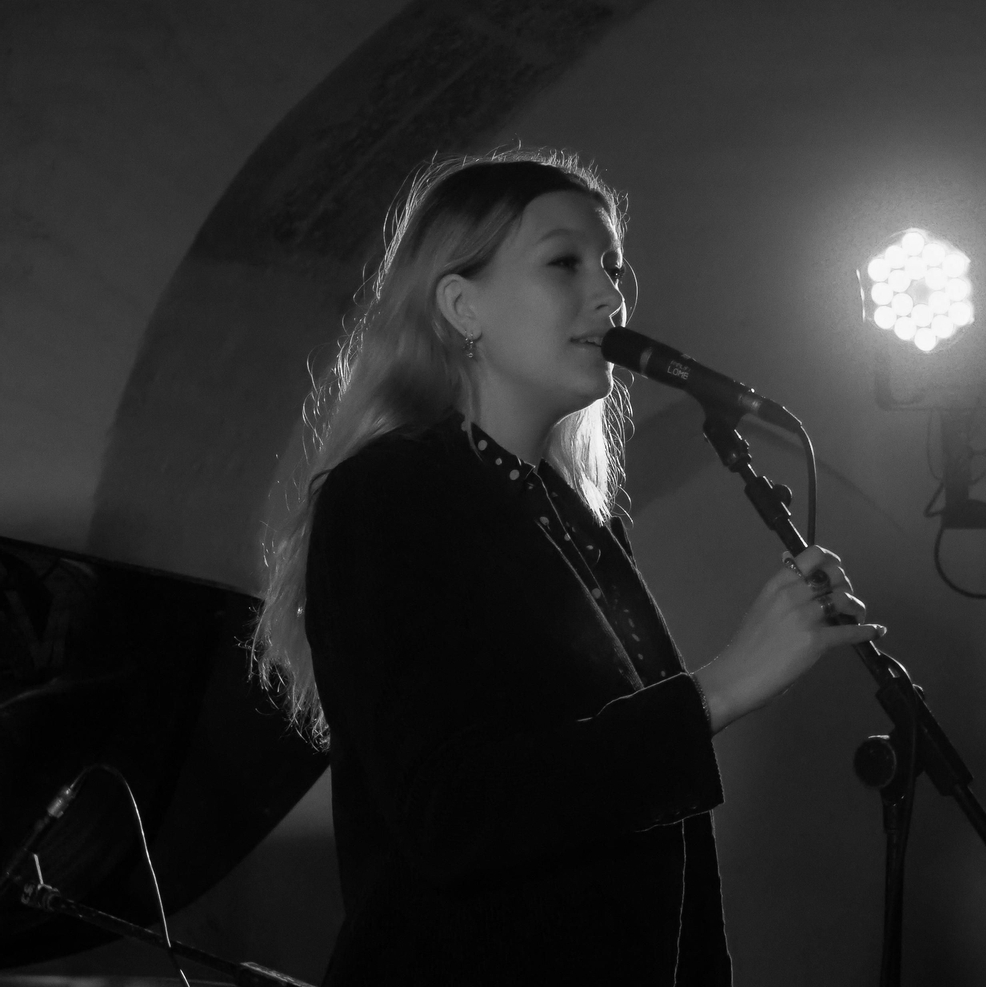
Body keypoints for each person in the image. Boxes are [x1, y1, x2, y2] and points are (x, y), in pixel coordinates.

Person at [252, 150, 883, 986]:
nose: (610, 296)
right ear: (461, 306)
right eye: (565, 263)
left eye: (612, 268)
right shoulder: (390, 496)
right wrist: (718, 690)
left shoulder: (565, 513)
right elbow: (453, 815)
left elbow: (642, 835)